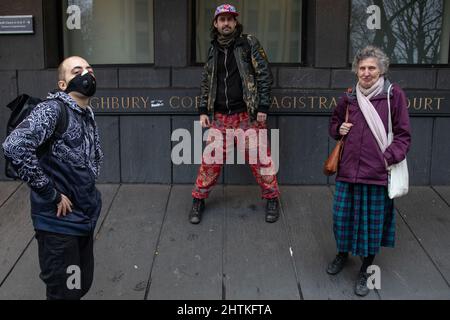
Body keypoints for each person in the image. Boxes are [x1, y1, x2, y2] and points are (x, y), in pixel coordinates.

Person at [2, 56, 103, 300]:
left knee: (79, 286)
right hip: (58, 224)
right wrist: (50, 192)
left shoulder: (85, 111)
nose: (86, 74)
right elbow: (14, 145)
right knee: (64, 293)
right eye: (76, 71)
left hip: (83, 218)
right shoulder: (53, 109)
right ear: (62, 84)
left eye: (89, 69)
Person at [327, 46, 411, 296]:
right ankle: (343, 254)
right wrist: (338, 129)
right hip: (347, 171)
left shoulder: (393, 95)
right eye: (362, 68)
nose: (366, 72)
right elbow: (333, 124)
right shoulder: (349, 97)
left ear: (381, 69)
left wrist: (386, 159)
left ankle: (366, 268)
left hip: (376, 174)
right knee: (341, 219)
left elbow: (404, 136)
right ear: (356, 70)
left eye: (371, 68)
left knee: (370, 226)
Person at [190, 4, 280, 224]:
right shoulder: (213, 49)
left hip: (247, 116)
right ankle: (198, 200)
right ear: (216, 24)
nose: (226, 23)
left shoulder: (248, 43)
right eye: (222, 19)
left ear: (235, 22)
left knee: (261, 160)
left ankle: (272, 198)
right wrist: (203, 109)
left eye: (230, 19)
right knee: (210, 162)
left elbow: (264, 76)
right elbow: (206, 82)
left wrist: (263, 107)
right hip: (220, 117)